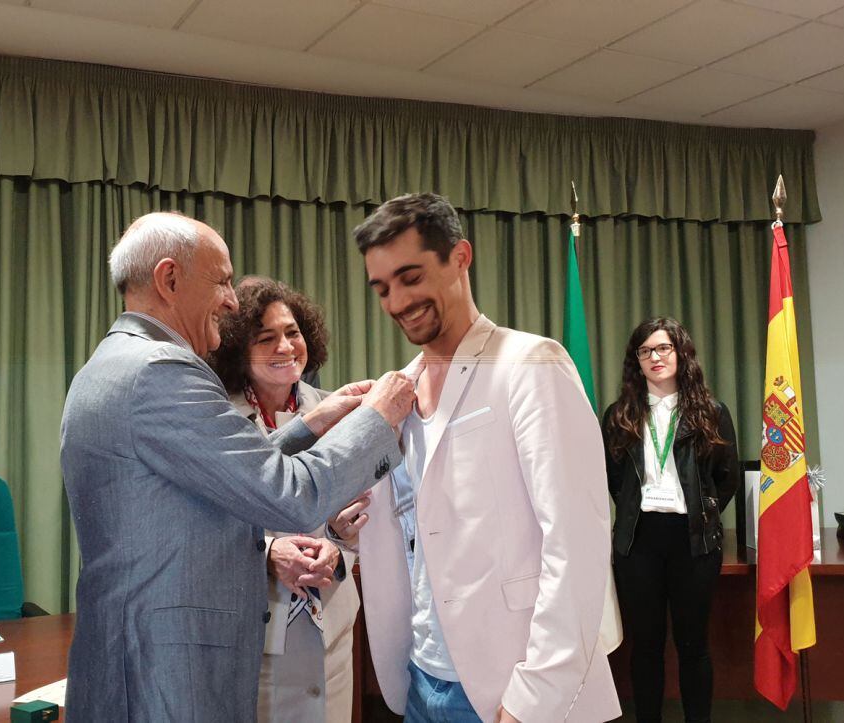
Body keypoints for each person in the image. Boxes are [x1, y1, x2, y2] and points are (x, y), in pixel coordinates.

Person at [59, 212, 415, 722]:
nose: (230, 302)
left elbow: (217, 472)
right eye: (222, 281)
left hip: (139, 658)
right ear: (169, 279)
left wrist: (311, 423)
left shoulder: (116, 361)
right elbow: (288, 495)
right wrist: (381, 417)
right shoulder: (163, 371)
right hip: (167, 675)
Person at [335, 193, 621, 722]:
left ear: (460, 258)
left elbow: (576, 542)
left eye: (411, 277)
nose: (397, 301)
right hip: (420, 679)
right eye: (382, 288)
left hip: (509, 685)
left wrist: (531, 701)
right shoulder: (397, 393)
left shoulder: (531, 363)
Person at [209, 278, 358, 723]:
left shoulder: (340, 409)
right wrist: (271, 552)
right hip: (255, 637)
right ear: (238, 348)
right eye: (265, 338)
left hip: (332, 629)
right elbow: (207, 518)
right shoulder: (215, 416)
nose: (286, 347)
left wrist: (339, 545)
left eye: (292, 332)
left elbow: (365, 516)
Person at [602, 317, 740, 723]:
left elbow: (726, 478)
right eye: (645, 351)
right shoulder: (619, 415)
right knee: (645, 647)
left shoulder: (711, 413)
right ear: (636, 362)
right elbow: (613, 479)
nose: (655, 357)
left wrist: (702, 515)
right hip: (638, 543)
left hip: (692, 543)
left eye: (663, 348)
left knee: (693, 646)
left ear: (680, 353)